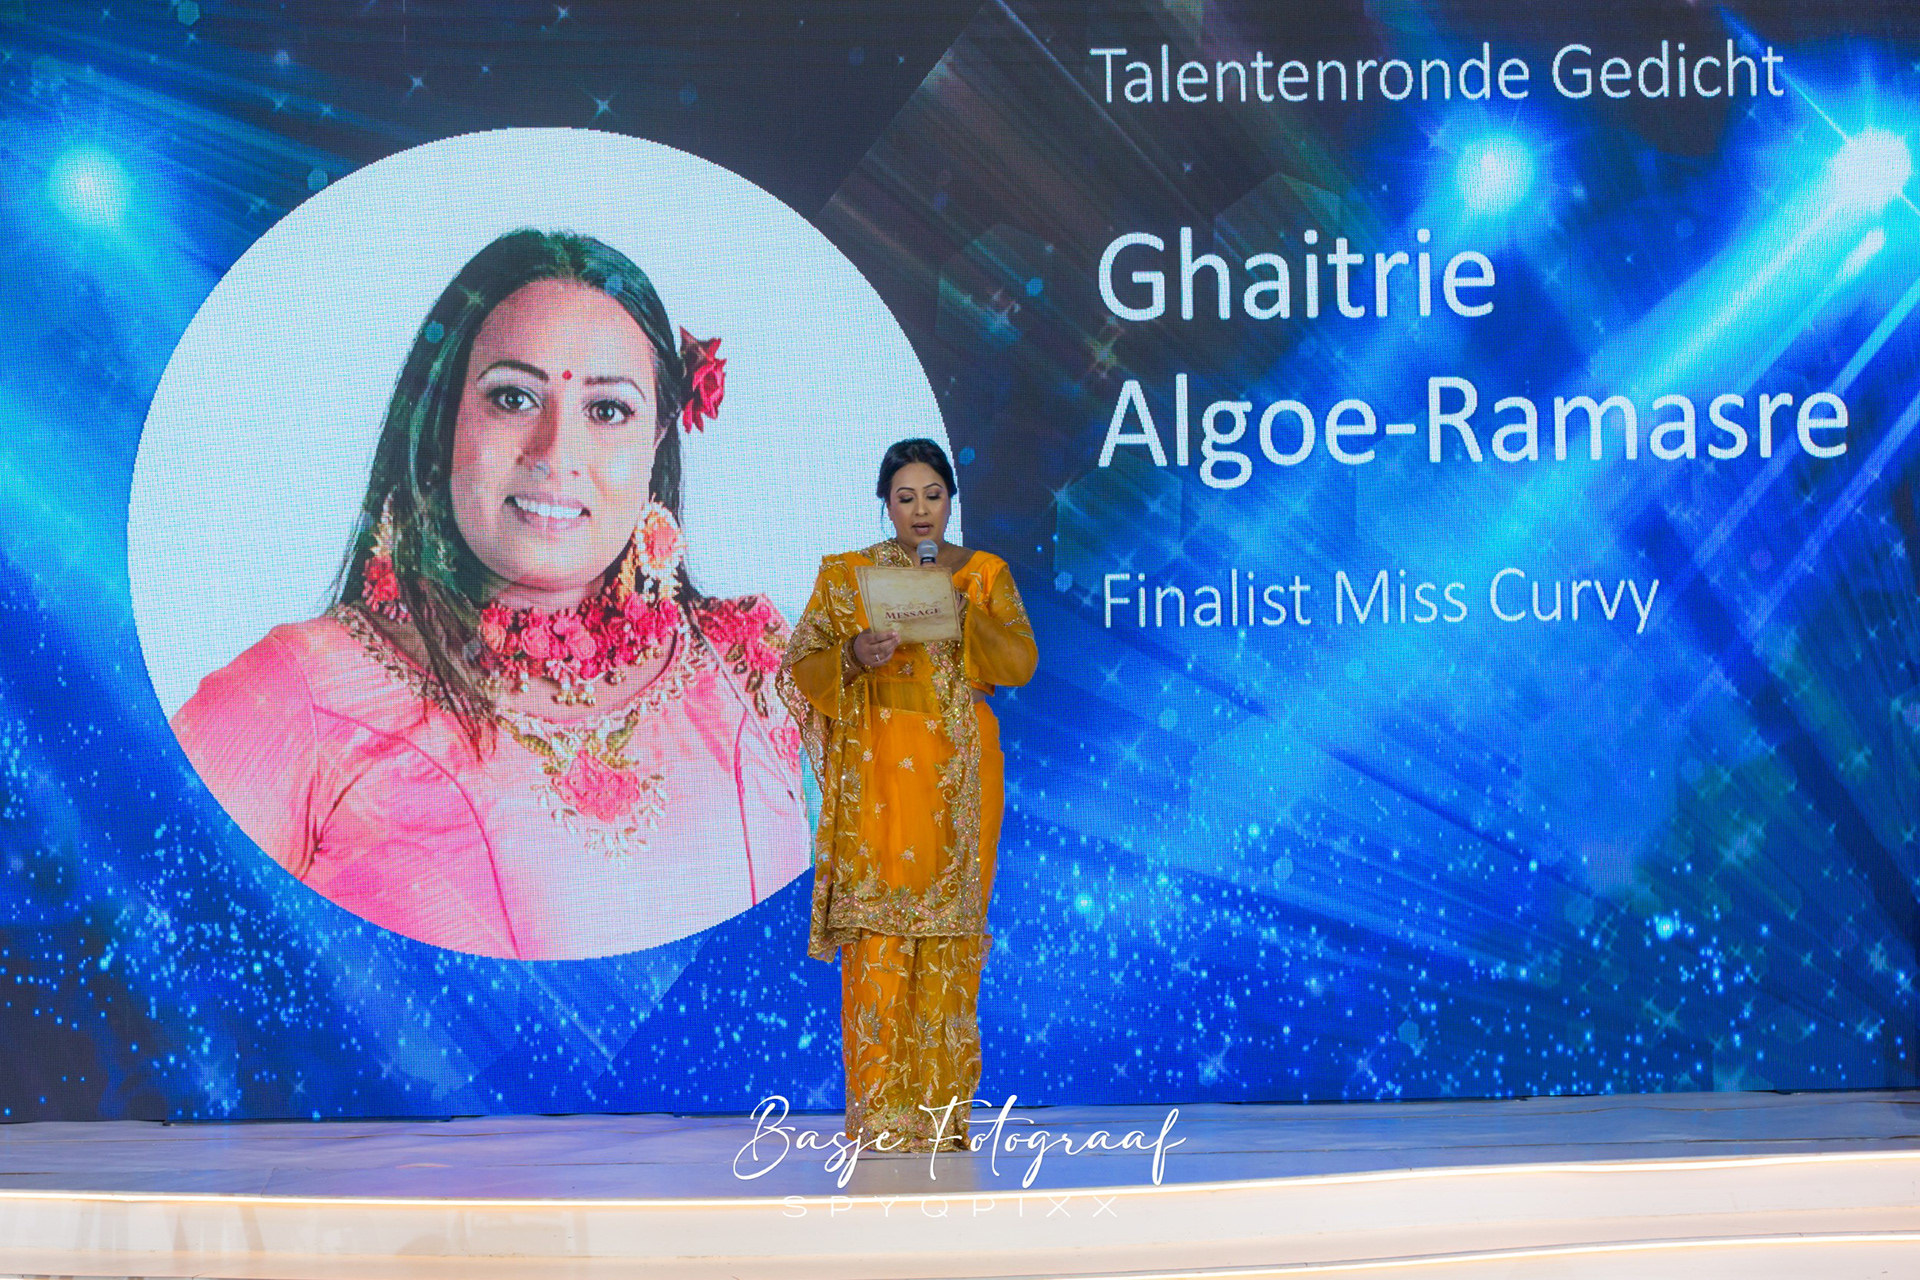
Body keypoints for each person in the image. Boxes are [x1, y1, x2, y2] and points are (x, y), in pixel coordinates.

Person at [170, 229, 809, 961]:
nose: (555, 454)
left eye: (607, 411)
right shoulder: (297, 695)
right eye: (513, 398)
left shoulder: (750, 669)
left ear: (658, 437)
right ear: (445, 418)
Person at [776, 438, 1038, 1154]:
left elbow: (1020, 661)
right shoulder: (849, 577)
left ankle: (942, 1114)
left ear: (951, 500)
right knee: (881, 937)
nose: (920, 510)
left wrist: (959, 608)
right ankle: (883, 1116)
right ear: (885, 506)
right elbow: (800, 666)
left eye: (933, 495)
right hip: (882, 778)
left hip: (961, 778)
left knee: (952, 938)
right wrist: (852, 656)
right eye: (905, 497)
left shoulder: (983, 574)